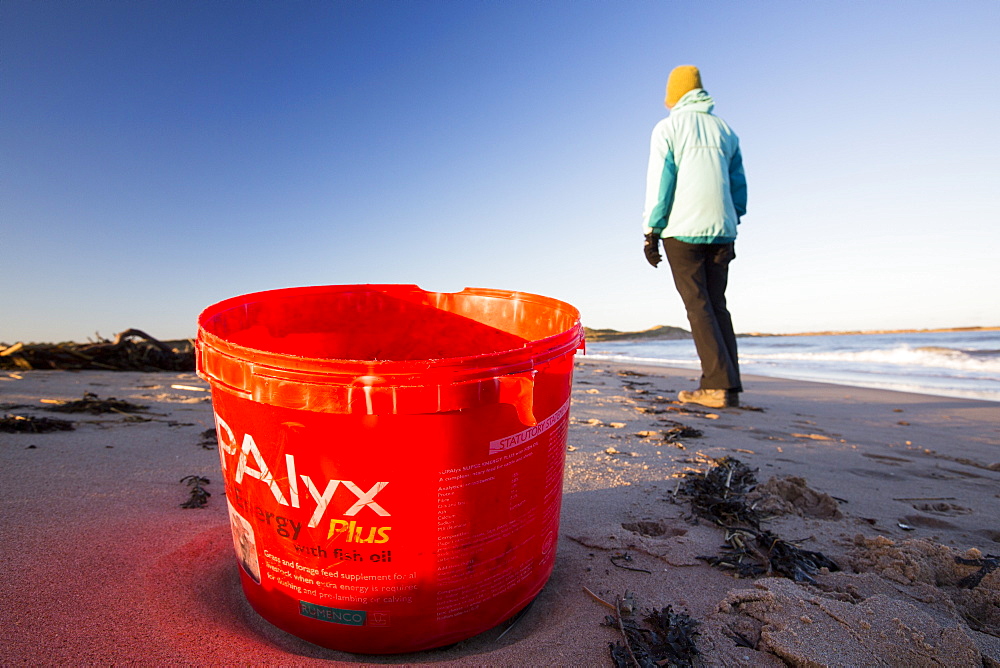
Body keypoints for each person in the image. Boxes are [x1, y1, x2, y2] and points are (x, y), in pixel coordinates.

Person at [642, 65, 747, 409]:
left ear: (674, 93)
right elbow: (737, 183)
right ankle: (729, 386)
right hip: (723, 229)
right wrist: (735, 216)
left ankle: (716, 387)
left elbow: (662, 183)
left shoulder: (668, 128)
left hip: (682, 229)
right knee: (717, 304)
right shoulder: (725, 130)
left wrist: (651, 230)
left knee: (698, 305)